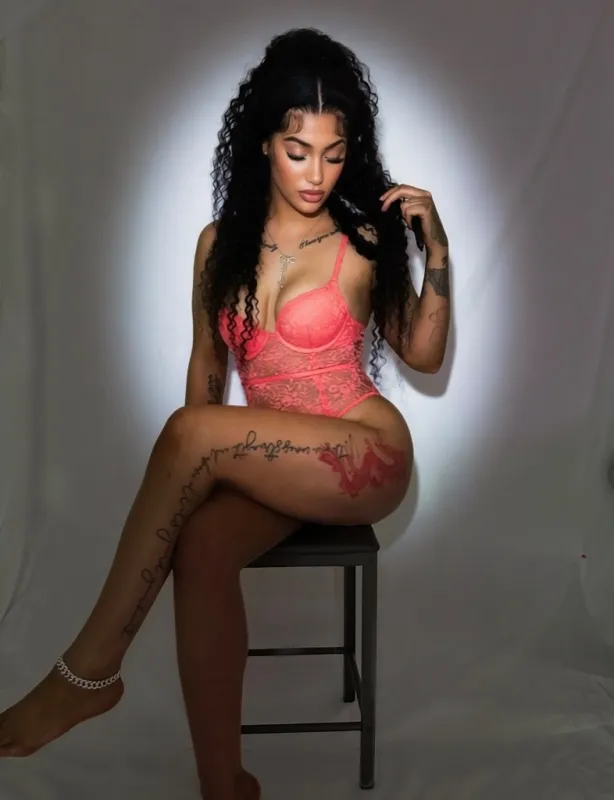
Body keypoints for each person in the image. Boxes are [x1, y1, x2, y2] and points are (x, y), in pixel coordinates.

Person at [0, 26, 450, 800]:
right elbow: (208, 371)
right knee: (201, 545)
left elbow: (423, 354)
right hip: (278, 463)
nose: (316, 174)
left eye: (334, 153)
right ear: (264, 141)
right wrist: (194, 487)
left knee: (189, 434)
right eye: (298, 150)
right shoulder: (220, 246)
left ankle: (87, 673)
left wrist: (435, 252)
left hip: (365, 451)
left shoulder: (364, 238)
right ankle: (224, 785)